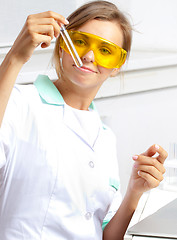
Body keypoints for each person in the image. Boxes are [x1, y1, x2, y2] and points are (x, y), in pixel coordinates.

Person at [0, 1, 167, 239]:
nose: (89, 56)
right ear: (61, 46)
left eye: (105, 50)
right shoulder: (18, 102)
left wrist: (134, 192)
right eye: (80, 42)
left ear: (118, 65)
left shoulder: (105, 137)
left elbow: (105, 234)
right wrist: (15, 58)